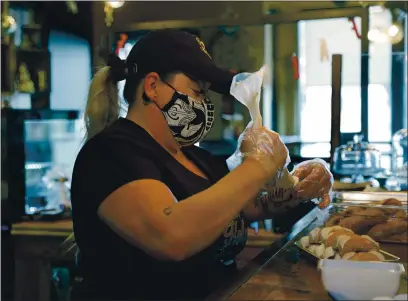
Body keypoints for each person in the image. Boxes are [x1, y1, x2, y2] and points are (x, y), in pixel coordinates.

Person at [70, 29, 333, 300]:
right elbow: (170, 236)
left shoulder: (196, 158)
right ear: (152, 86)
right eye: (197, 92)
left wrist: (303, 181)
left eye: (206, 96)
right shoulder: (109, 153)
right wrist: (258, 165)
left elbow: (254, 205)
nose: (205, 105)